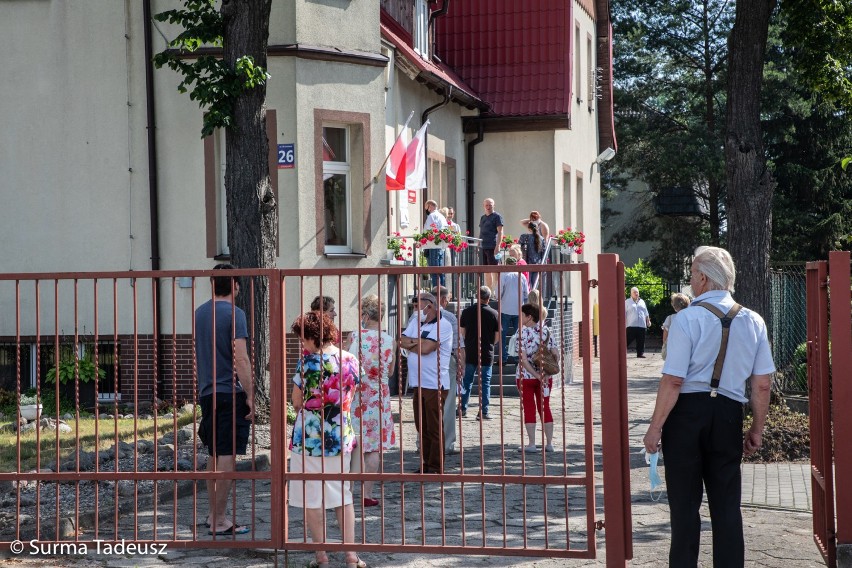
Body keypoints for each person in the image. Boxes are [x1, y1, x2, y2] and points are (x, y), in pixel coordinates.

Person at [642, 246, 774, 568]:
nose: (690, 281)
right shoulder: (754, 321)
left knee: (685, 509)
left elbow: (673, 381)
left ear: (702, 277)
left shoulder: (686, 319)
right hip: (729, 413)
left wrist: (655, 427)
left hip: (686, 413)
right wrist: (757, 428)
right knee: (727, 505)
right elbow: (762, 384)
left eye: (691, 275)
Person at [289, 312, 367, 568]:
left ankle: (321, 556)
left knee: (312, 497)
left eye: (303, 339)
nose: (302, 344)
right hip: (339, 434)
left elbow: (297, 401)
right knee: (342, 495)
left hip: (310, 437)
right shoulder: (351, 359)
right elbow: (354, 391)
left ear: (313, 336)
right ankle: (351, 556)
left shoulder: (307, 363)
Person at [195, 263, 254, 536]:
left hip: (207, 392)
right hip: (229, 393)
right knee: (228, 455)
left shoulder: (200, 313)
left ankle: (212, 513)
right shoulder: (235, 313)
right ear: (235, 286)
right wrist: (251, 395)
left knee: (213, 453)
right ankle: (219, 520)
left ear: (212, 284)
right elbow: (240, 357)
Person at [348, 295, 396, 508]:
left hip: (358, 396)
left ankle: (347, 491)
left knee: (352, 445)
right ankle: (366, 494)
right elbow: (392, 370)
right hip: (379, 398)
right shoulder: (389, 340)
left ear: (365, 315)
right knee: (373, 448)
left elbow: (348, 367)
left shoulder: (355, 337)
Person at [399, 293, 453, 474]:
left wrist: (414, 344)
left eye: (417, 305)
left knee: (434, 426)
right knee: (421, 426)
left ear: (429, 306)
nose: (415, 309)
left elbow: (428, 348)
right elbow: (401, 341)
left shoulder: (443, 325)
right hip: (418, 383)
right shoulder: (416, 322)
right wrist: (419, 343)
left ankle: (436, 466)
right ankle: (426, 463)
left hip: (435, 383)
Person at [516, 303, 558, 453]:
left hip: (525, 377)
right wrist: (544, 374)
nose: (519, 317)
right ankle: (549, 443)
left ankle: (532, 444)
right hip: (546, 377)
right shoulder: (546, 331)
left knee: (529, 407)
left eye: (522, 314)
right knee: (544, 407)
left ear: (529, 317)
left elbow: (523, 360)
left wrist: (535, 375)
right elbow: (555, 355)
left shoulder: (522, 333)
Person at [458, 286, 500, 420]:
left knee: (467, 381)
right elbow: (497, 336)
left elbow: (462, 332)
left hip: (471, 350)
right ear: (488, 298)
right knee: (485, 382)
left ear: (477, 296)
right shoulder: (494, 313)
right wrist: (490, 343)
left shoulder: (466, 312)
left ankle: (462, 408)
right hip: (487, 351)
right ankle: (483, 411)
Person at [432, 286, 461, 453]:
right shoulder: (449, 317)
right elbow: (458, 344)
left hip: (424, 361)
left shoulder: (419, 316)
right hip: (446, 359)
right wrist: (460, 364)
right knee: (448, 403)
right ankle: (447, 443)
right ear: (443, 299)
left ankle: (423, 441)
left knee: (426, 401)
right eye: (448, 298)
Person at [498, 256, 529, 364]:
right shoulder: (522, 276)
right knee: (518, 335)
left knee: (502, 335)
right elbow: (526, 293)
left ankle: (503, 358)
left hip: (505, 308)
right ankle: (518, 358)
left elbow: (498, 293)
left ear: (506, 264)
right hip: (519, 310)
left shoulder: (503, 275)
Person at [479, 198, 504, 291]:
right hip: (483, 246)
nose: (488, 207)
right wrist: (478, 244)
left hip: (492, 246)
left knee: (494, 269)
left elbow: (500, 232)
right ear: (484, 206)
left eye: (490, 205)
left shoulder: (497, 217)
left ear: (494, 205)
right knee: (486, 270)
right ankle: (489, 291)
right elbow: (481, 231)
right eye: (487, 205)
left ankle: (496, 291)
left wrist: (498, 246)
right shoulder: (483, 217)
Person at [424, 200, 448, 287]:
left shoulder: (432, 216)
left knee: (434, 272)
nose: (427, 210)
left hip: (432, 246)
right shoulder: (441, 216)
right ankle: (442, 293)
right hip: (440, 246)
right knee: (440, 271)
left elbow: (430, 231)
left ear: (430, 206)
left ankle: (436, 293)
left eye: (427, 208)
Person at [661, 293, 691, 360]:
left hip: (673, 351)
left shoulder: (670, 319)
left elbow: (665, 339)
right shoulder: (691, 318)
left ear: (674, 305)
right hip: (687, 350)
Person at [625, 287, 651, 358]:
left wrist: (648, 320)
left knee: (641, 340)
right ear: (631, 293)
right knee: (627, 340)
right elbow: (624, 313)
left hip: (642, 324)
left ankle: (640, 353)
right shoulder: (627, 302)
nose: (636, 293)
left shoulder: (642, 301)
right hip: (631, 324)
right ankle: (621, 352)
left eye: (637, 292)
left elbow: (646, 312)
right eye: (634, 292)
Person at [518, 222, 545, 289]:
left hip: (527, 264)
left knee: (527, 285)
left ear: (529, 229)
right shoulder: (541, 239)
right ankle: (535, 298)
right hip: (538, 264)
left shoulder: (524, 237)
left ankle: (527, 298)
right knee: (535, 285)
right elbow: (544, 252)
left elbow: (518, 247)